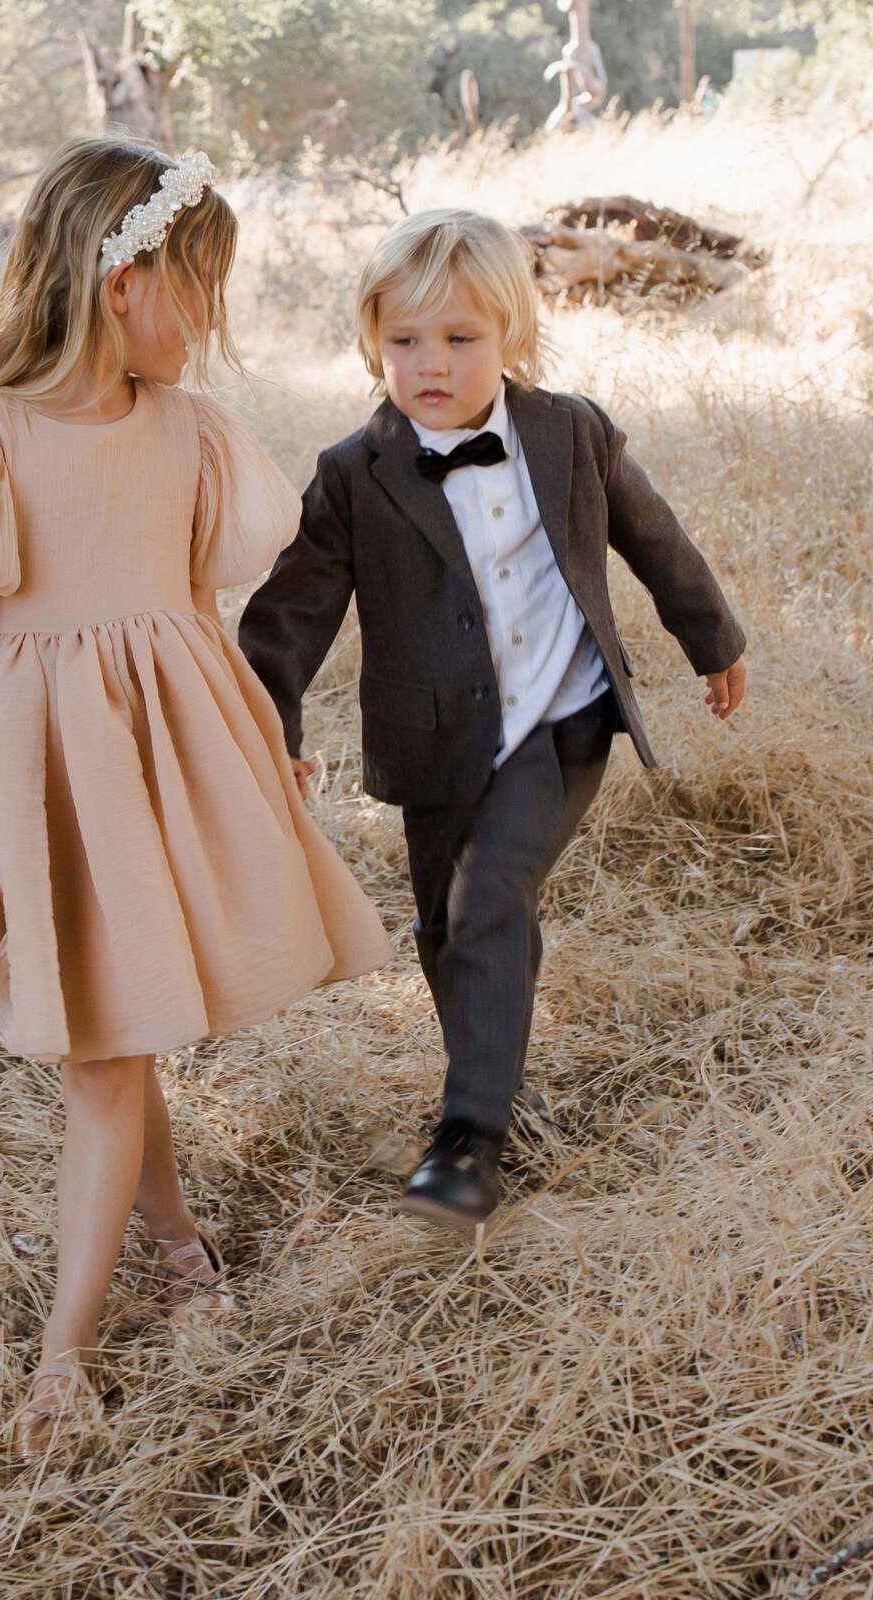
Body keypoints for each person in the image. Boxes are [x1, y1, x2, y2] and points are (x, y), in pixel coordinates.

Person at [0, 137, 391, 1460]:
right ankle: (67, 1360)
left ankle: (178, 1247)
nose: (210, 321)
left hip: (163, 753)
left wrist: (261, 746)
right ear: (122, 280)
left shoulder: (193, 435)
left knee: (118, 1022)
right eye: (198, 288)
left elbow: (197, 622)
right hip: (42, 775)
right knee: (105, 1051)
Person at [238, 208, 747, 1231]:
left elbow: (656, 538)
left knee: (488, 895)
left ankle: (468, 1137)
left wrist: (714, 639)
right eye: (404, 341)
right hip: (436, 741)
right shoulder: (354, 471)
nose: (430, 363)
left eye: (461, 338)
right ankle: (498, 1076)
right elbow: (289, 616)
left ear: (512, 335)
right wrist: (266, 728)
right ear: (372, 341)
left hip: (561, 721)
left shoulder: (571, 431)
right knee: (449, 925)